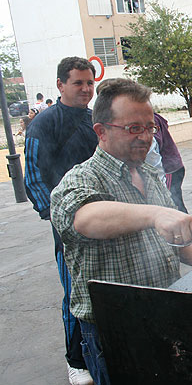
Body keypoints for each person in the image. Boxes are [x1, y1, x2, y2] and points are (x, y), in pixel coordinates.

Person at [50, 78, 192, 385]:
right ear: (102, 131)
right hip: (114, 330)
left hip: (165, 313)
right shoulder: (80, 180)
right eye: (133, 128)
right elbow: (86, 219)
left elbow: (179, 247)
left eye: (150, 128)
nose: (146, 137)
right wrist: (157, 214)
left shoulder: (150, 174)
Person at [24, 57, 98, 385]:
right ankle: (76, 360)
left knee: (106, 289)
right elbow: (34, 179)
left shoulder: (96, 120)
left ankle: (104, 348)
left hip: (102, 219)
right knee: (75, 293)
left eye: (89, 83)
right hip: (68, 227)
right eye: (78, 83)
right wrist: (59, 219)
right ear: (60, 85)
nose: (85, 89)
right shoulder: (44, 124)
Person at [154, 112, 189, 213]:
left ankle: (186, 226)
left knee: (173, 203)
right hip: (174, 166)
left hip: (170, 169)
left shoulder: (152, 120)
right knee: (175, 202)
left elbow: (154, 153)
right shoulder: (156, 118)